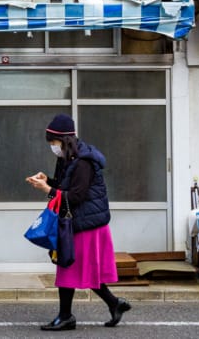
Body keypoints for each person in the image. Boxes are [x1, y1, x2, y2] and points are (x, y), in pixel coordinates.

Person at [25, 113, 131, 331]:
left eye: (53, 142)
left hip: (87, 224)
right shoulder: (68, 158)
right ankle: (114, 303)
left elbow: (75, 196)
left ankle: (66, 317)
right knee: (81, 268)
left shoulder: (83, 162)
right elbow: (64, 188)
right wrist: (48, 182)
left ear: (64, 140)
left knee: (68, 265)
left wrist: (48, 190)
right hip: (77, 220)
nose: (52, 147)